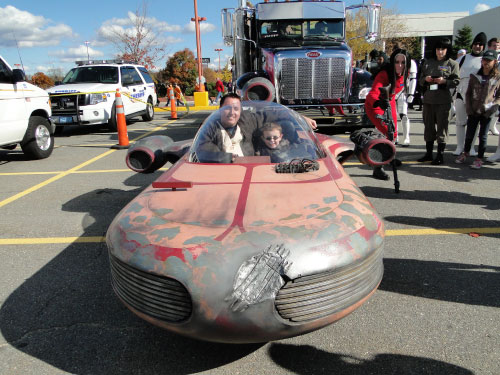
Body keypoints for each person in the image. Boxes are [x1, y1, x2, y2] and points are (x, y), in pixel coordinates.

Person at [195, 93, 317, 162]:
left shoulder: (247, 120)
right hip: (221, 175)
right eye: (227, 108)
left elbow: (271, 113)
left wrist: (300, 117)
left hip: (252, 172)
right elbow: (204, 151)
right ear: (220, 109)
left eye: (236, 108)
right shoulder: (210, 127)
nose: (232, 112)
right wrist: (228, 158)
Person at [365, 48, 411, 180]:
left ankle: (389, 157)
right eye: (397, 62)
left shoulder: (405, 73)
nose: (400, 65)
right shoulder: (385, 73)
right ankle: (377, 167)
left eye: (403, 62)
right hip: (375, 104)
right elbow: (374, 92)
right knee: (386, 132)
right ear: (393, 62)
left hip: (389, 101)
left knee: (394, 133)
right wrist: (378, 102)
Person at [455, 50, 500, 169]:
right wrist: (469, 108)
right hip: (474, 109)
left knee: (483, 135)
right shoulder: (475, 75)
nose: (486, 63)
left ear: (495, 62)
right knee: (469, 134)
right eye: (484, 60)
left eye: (489, 61)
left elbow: (498, 96)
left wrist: (492, 107)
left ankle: (479, 158)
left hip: (487, 111)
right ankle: (465, 152)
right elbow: (468, 93)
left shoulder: (497, 77)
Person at [417, 38, 459, 165]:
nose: (440, 52)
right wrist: (426, 79)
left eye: (442, 49)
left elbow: (457, 81)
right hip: (429, 99)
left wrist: (445, 81)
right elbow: (420, 80)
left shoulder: (452, 64)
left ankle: (440, 155)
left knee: (442, 128)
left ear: (447, 50)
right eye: (438, 49)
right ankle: (429, 154)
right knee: (428, 127)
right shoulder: (428, 63)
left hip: (443, 100)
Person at [452, 32, 487, 156]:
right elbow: (451, 71)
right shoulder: (463, 58)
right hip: (461, 92)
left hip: (476, 95)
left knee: (474, 124)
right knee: (460, 122)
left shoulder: (485, 60)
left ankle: (470, 148)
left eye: (481, 45)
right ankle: (460, 146)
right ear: (472, 45)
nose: (478, 46)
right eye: (476, 44)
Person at [393, 44, 418, 146]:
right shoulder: (392, 62)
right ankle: (395, 136)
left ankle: (406, 137)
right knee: (392, 116)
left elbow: (413, 79)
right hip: (393, 91)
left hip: (403, 91)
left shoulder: (410, 63)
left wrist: (411, 93)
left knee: (403, 115)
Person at [486, 38, 500, 136]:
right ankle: (486, 127)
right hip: (488, 85)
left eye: (498, 46)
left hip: (498, 85)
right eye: (494, 46)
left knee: (497, 107)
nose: (496, 48)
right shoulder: (485, 57)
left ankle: (492, 125)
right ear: (489, 46)